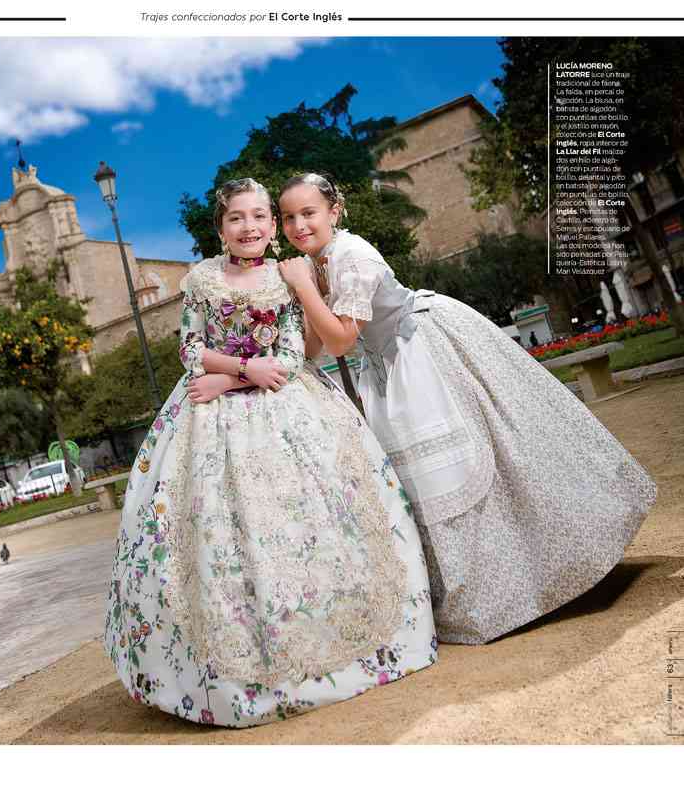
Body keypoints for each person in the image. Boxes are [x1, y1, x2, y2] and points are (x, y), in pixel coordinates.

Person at [104, 178, 436, 728]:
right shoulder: (201, 280)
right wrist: (237, 368)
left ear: (272, 225)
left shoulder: (287, 277)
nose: (250, 227)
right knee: (214, 529)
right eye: (237, 217)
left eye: (260, 216)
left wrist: (234, 379)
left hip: (285, 402)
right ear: (221, 227)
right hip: (206, 415)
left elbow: (292, 353)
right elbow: (189, 347)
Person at [277, 172, 656, 645]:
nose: (298, 225)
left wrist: (304, 288)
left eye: (308, 213)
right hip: (388, 367)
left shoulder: (353, 255)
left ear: (333, 211)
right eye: (288, 217)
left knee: (463, 462)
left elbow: (340, 341)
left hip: (421, 350)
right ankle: (484, 595)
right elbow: (316, 348)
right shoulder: (316, 264)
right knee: (423, 478)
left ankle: (523, 583)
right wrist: (297, 298)